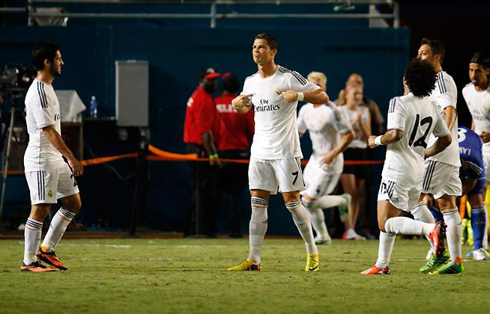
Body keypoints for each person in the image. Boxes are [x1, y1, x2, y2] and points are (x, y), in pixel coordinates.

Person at [227, 33, 329, 272]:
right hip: (260, 152)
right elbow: (246, 109)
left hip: (285, 151)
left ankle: (312, 251)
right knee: (257, 204)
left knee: (293, 203)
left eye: (261, 47)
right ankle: (254, 259)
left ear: (273, 52)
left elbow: (323, 96)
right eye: (253, 47)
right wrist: (237, 105)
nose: (256, 50)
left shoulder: (288, 76)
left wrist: (299, 95)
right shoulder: (250, 81)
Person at [361, 59, 451, 275]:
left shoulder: (399, 102)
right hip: (418, 168)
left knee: (386, 222)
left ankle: (431, 230)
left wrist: (376, 140)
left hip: (398, 169)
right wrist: (425, 153)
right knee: (417, 206)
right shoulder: (432, 105)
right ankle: (383, 264)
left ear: (406, 80)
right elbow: (445, 139)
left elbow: (396, 134)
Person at [21, 41, 84, 272]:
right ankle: (28, 261)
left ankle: (46, 249)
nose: (62, 62)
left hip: (53, 157)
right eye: (58, 59)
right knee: (40, 208)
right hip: (41, 158)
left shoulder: (48, 87)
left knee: (73, 202)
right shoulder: (38, 91)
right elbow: (48, 131)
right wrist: (71, 157)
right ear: (47, 62)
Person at [414, 38, 464, 274]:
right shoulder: (427, 83)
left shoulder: (441, 80)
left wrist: (443, 138)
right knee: (448, 205)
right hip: (448, 154)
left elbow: (449, 108)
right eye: (418, 53)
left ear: (437, 57)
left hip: (438, 152)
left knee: (413, 197)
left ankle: (437, 249)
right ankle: (455, 262)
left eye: (424, 54)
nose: (419, 57)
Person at [297, 71, 354, 245]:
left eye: (318, 86)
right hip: (315, 160)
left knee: (308, 201)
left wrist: (332, 154)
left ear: (325, 88)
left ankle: (343, 200)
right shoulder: (305, 109)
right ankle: (323, 235)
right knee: (306, 200)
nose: (315, 89)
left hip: (331, 161)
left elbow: (349, 135)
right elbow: (297, 133)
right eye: (311, 86)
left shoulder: (332, 110)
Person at [215, 72, 254, 237]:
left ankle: (210, 229)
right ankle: (234, 230)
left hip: (219, 154)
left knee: (215, 193)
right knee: (236, 196)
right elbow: (252, 130)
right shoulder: (243, 106)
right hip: (240, 154)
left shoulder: (215, 103)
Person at [183, 67, 222, 237]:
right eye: (210, 80)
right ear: (202, 81)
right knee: (202, 191)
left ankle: (196, 227)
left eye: (215, 80)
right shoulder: (203, 99)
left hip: (196, 149)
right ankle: (198, 229)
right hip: (201, 151)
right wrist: (213, 156)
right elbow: (205, 133)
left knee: (199, 190)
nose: (214, 83)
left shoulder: (200, 96)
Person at [462, 51, 490, 252]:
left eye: (477, 71)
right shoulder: (467, 91)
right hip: (482, 151)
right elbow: (474, 118)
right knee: (476, 190)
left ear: (488, 71)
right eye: (471, 70)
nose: (473, 75)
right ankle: (480, 245)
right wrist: (473, 139)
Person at [338, 86, 371, 240]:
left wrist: (362, 124)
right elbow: (341, 135)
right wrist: (352, 122)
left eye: (360, 93)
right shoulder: (340, 110)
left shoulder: (364, 111)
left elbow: (369, 137)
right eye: (355, 93)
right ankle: (346, 228)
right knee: (348, 193)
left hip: (361, 151)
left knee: (358, 194)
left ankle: (352, 228)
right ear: (346, 94)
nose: (358, 96)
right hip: (346, 151)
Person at [456, 126, 490, 260]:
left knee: (477, 201)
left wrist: (458, 196)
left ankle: (478, 248)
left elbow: (472, 181)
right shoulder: (438, 161)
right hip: (445, 158)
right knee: (436, 201)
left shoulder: (473, 161)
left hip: (472, 154)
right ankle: (437, 247)